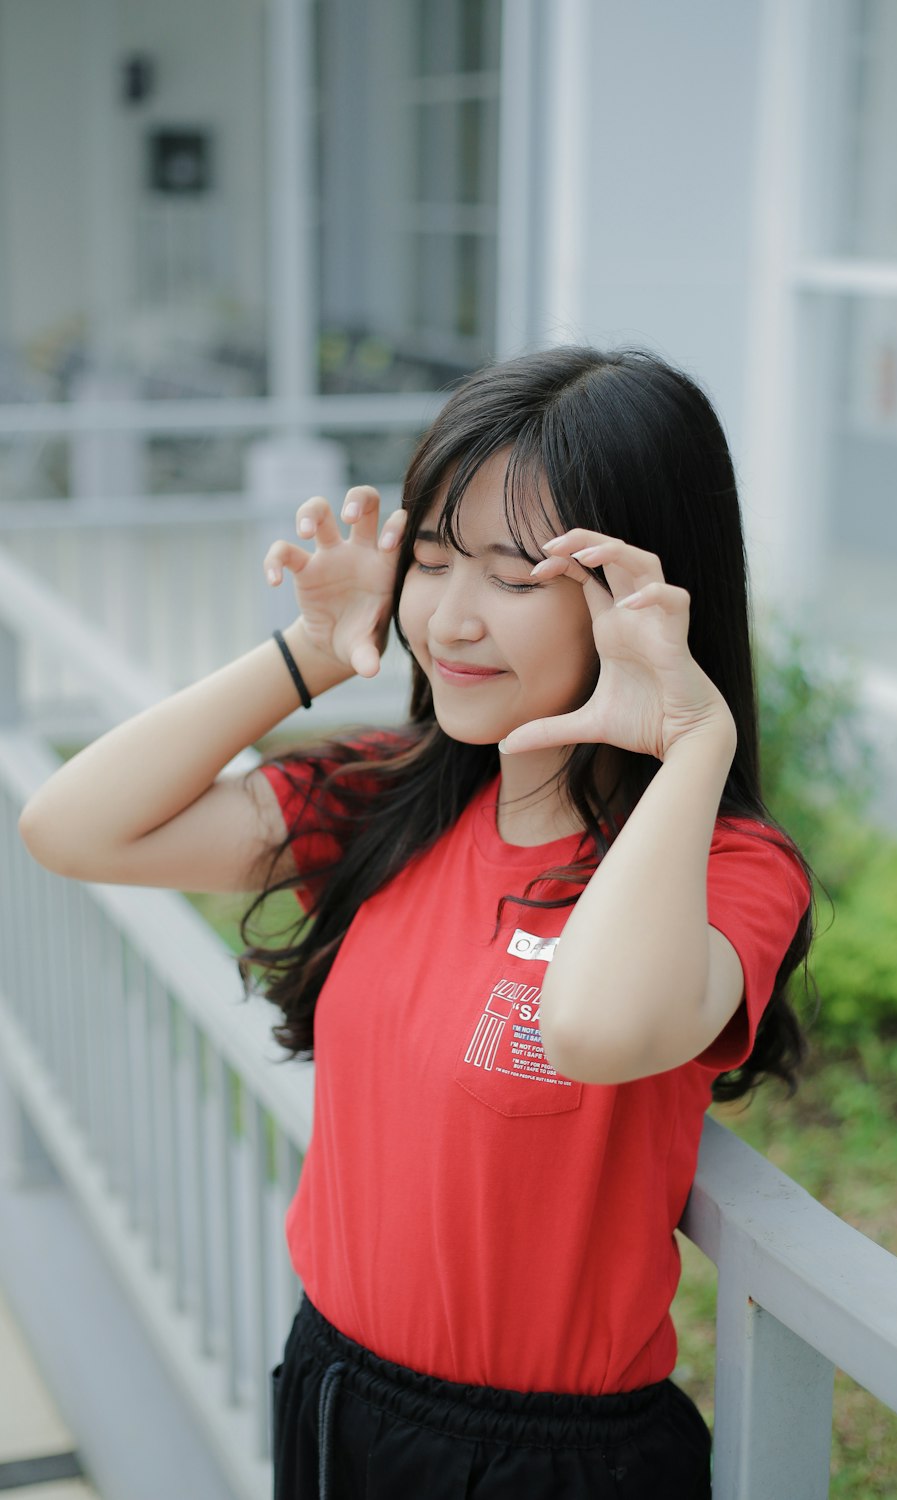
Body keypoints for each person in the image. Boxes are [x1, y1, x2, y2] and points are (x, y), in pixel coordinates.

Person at [19, 346, 813, 1499]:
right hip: (334, 1395)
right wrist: (306, 652)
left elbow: (593, 1030)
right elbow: (72, 826)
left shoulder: (727, 867)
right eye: (431, 559)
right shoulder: (390, 797)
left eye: (514, 575)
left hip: (552, 1461)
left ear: (642, 595)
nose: (449, 617)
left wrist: (689, 741)